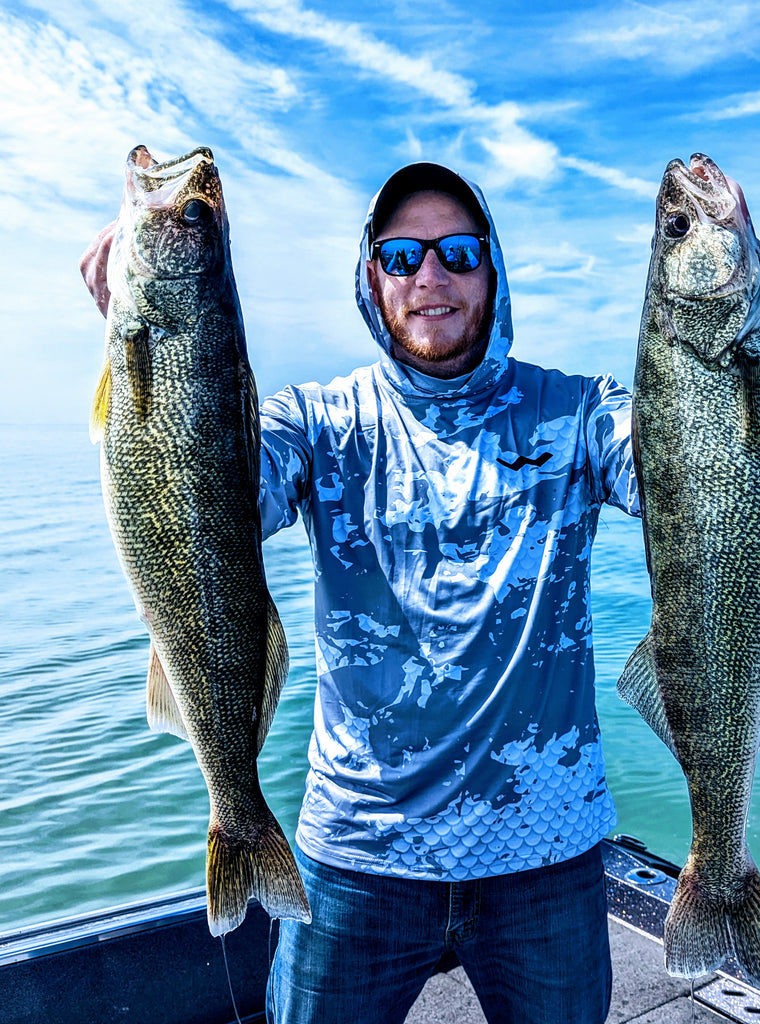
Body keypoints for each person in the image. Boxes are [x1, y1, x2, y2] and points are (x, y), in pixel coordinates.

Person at [81, 161, 640, 1024]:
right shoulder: (316, 421)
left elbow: (678, 472)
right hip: (358, 850)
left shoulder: (579, 412)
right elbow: (218, 499)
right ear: (371, 277)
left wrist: (720, 359)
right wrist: (155, 350)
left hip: (546, 853)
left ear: (492, 269)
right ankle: (241, 825)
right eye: (402, 255)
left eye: (458, 252)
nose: (431, 277)